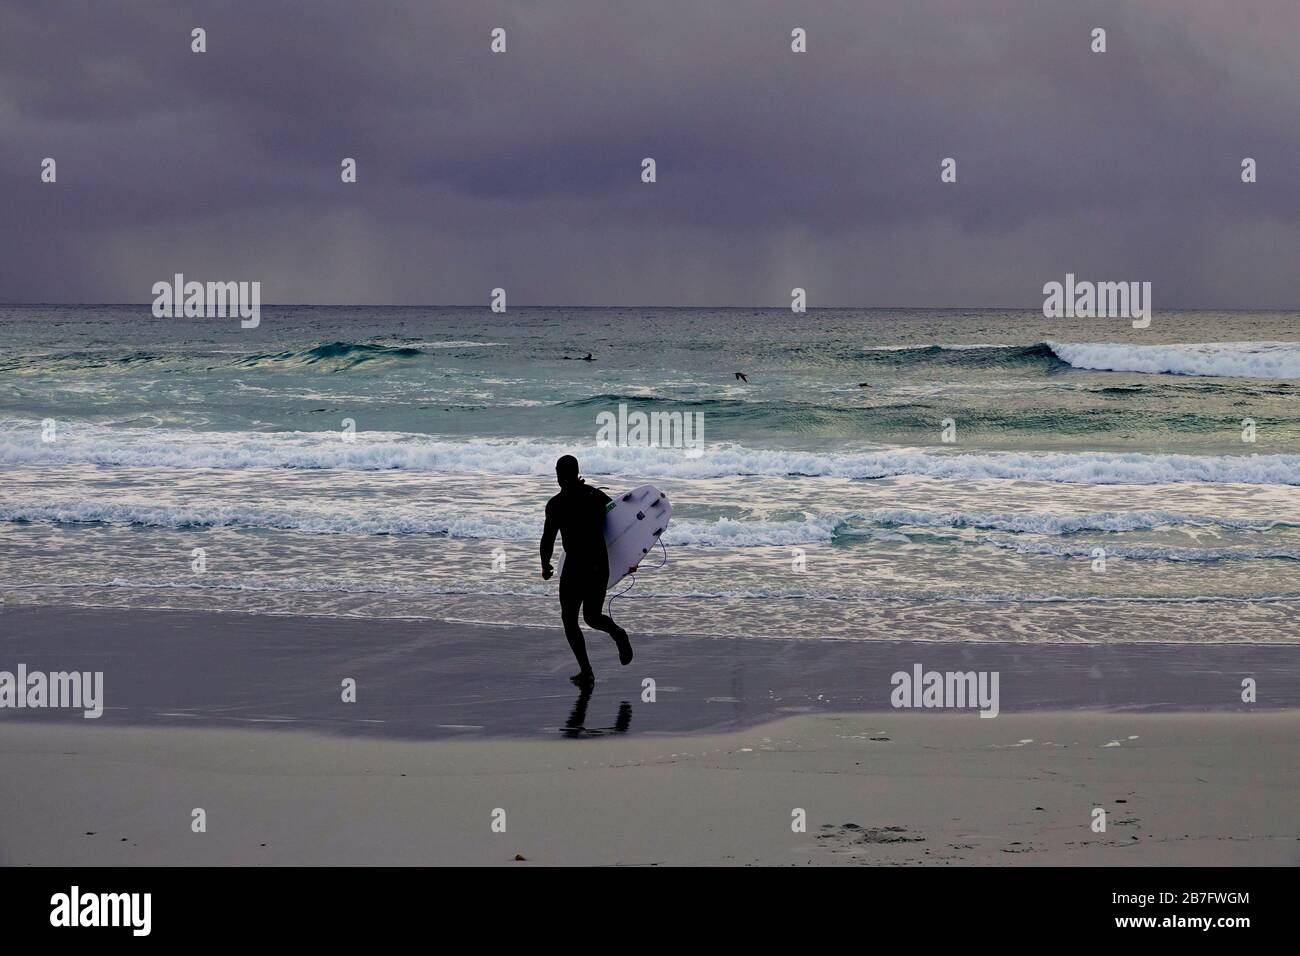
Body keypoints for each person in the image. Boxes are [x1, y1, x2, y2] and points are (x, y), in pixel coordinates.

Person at [540, 455, 633, 686]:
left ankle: (586, 671)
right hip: (599, 564)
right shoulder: (595, 496)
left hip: (575, 567)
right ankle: (616, 632)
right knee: (592, 616)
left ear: (559, 475)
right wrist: (630, 558)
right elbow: (621, 526)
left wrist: (545, 565)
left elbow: (547, 540)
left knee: (569, 619)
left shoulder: (556, 504)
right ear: (577, 472)